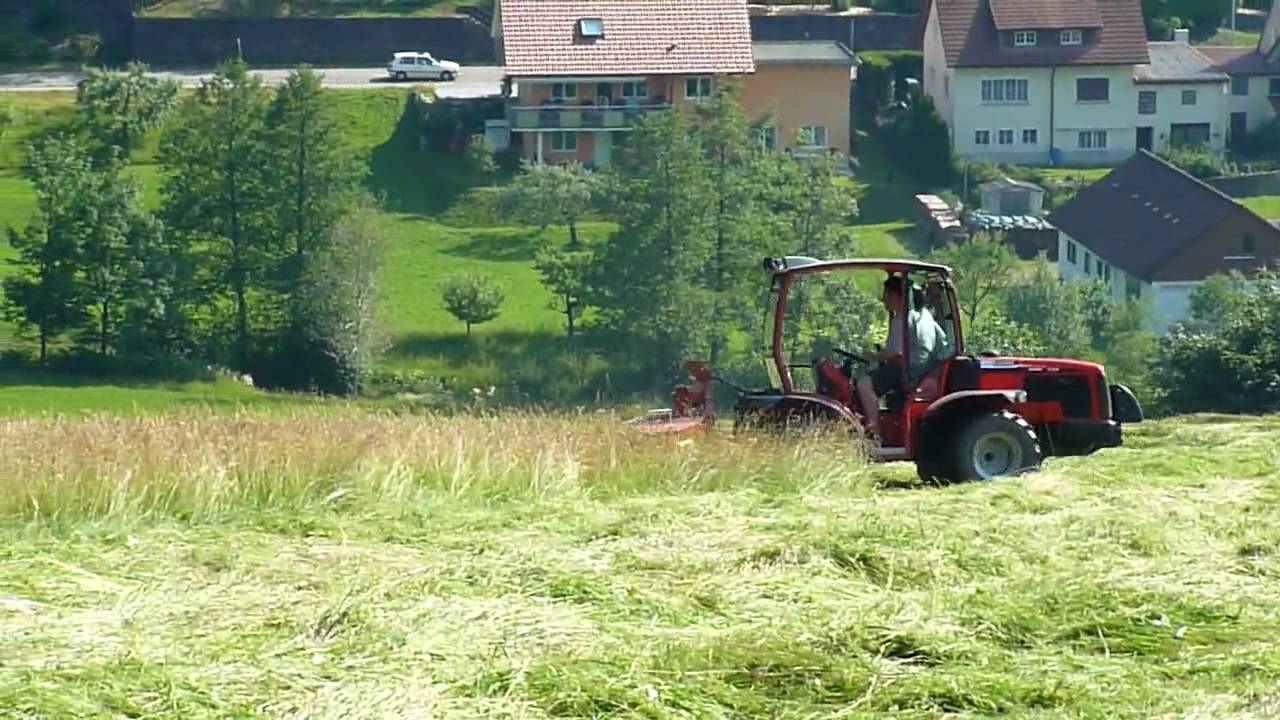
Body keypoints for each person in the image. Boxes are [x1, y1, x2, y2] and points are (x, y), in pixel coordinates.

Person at [856, 275, 944, 443]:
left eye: (885, 296)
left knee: (863, 383)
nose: (884, 301)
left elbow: (894, 352)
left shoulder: (902, 318)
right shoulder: (924, 316)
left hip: (907, 370)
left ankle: (873, 430)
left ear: (895, 296)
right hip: (921, 368)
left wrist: (870, 355)